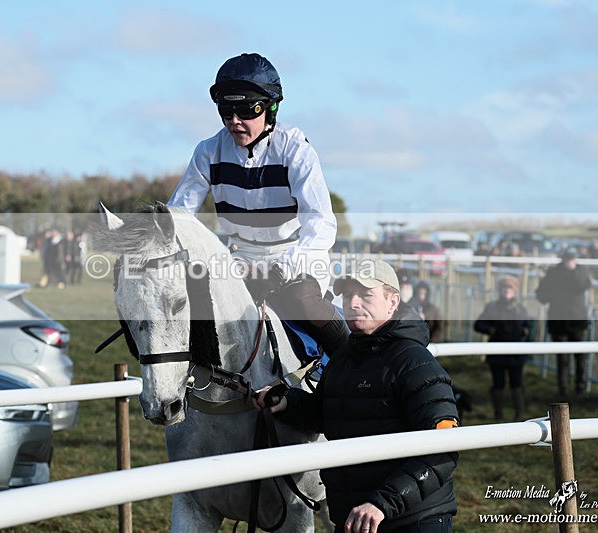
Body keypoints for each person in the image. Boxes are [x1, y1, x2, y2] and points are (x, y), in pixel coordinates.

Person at [255, 257, 459, 532]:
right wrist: (288, 402)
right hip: (356, 518)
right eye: (348, 294)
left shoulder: (415, 363)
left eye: (366, 295)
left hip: (411, 520)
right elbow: (329, 414)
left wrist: (382, 503)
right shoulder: (343, 358)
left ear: (393, 301)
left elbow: (443, 450)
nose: (352, 303)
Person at [168, 52, 347, 356]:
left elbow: (321, 224)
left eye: (246, 110)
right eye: (226, 110)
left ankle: (352, 362)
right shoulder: (207, 152)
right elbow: (180, 216)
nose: (235, 121)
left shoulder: (295, 149)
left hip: (295, 259)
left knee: (303, 300)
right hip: (240, 261)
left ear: (270, 108)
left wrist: (279, 271)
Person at [474, 275, 533, 421]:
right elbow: (478, 324)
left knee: (517, 384)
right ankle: (498, 414)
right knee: (498, 384)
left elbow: (529, 327)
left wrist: (526, 331)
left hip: (516, 353)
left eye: (510, 288)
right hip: (497, 353)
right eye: (504, 288)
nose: (507, 290)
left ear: (515, 291)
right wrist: (491, 330)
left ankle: (519, 415)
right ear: (500, 290)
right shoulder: (492, 307)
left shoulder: (521, 309)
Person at [536, 249, 592, 398]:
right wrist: (551, 296)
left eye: (572, 258)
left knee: (580, 358)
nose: (569, 261)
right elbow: (541, 294)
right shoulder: (553, 273)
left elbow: (583, 286)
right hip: (558, 321)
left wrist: (574, 271)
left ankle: (581, 388)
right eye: (567, 258)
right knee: (563, 359)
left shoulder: (581, 272)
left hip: (577, 321)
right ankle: (564, 390)